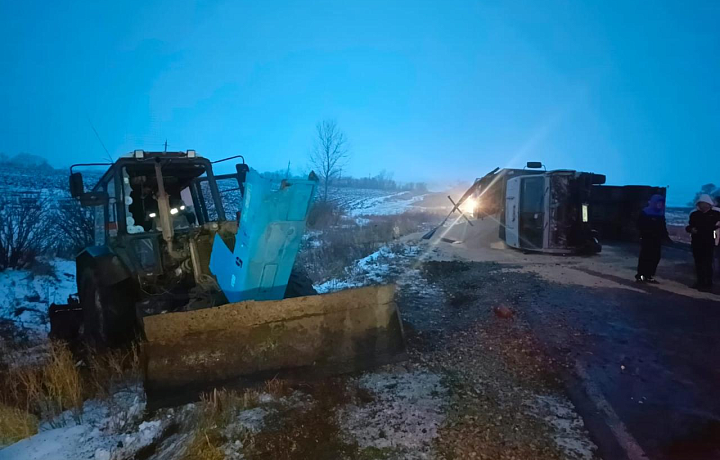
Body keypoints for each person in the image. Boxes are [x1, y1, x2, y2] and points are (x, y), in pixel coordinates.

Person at [685, 194, 720, 291]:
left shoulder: (716, 214)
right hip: (696, 241)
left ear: (708, 204)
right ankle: (699, 282)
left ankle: (708, 283)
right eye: (700, 204)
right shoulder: (694, 214)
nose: (702, 206)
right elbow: (688, 226)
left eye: (704, 204)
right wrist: (691, 229)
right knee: (698, 263)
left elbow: (716, 226)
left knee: (708, 263)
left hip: (709, 241)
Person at [636, 194, 670, 283]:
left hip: (657, 239)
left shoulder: (660, 214)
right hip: (647, 239)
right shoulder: (645, 212)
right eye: (658, 203)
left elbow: (663, 227)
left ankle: (649, 275)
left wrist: (666, 237)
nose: (660, 205)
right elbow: (640, 225)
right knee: (645, 257)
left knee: (655, 258)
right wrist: (643, 234)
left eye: (661, 203)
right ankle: (641, 275)